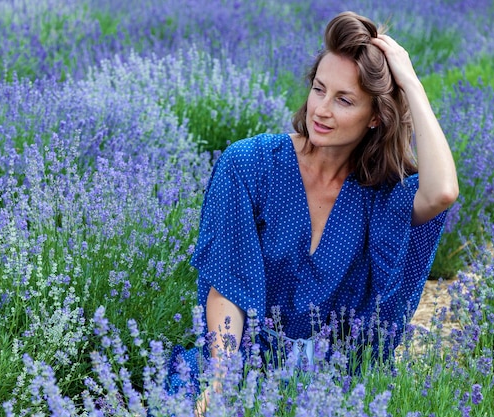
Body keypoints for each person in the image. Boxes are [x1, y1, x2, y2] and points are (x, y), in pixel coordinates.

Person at [166, 10, 459, 414]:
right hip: (244, 365)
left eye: (343, 100)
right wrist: (221, 385)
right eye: (319, 89)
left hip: (338, 379)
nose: (321, 109)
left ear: (375, 117)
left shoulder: (379, 193)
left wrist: (409, 82)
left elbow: (442, 192)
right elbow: (226, 287)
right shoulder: (249, 165)